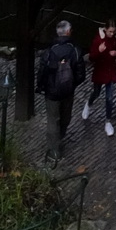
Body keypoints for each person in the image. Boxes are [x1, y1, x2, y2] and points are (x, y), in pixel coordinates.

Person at [36, 19, 85, 167]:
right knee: (65, 117)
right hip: (67, 92)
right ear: (69, 32)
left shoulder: (49, 51)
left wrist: (41, 86)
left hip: (51, 92)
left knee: (52, 120)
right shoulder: (75, 50)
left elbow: (42, 71)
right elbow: (81, 74)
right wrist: (72, 84)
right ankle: (59, 137)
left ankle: (53, 151)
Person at [82, 19, 116, 136]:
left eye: (113, 32)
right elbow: (91, 57)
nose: (111, 34)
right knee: (96, 92)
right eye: (110, 31)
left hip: (110, 70)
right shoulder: (98, 40)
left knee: (109, 97)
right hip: (100, 70)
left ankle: (108, 122)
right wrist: (99, 51)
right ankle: (88, 104)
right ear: (105, 29)